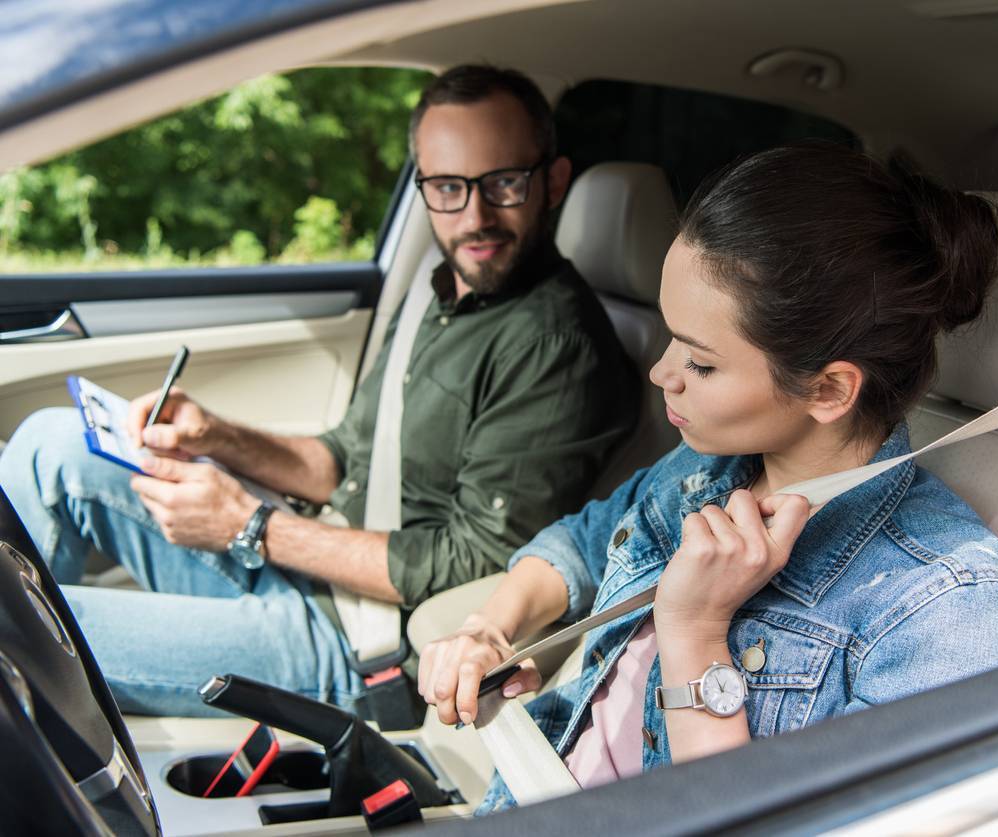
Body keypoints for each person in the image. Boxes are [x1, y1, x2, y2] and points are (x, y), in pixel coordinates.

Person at [416, 140, 998, 813]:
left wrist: (696, 634)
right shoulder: (704, 469)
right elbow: (583, 541)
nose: (662, 372)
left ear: (828, 390)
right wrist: (491, 627)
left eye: (701, 363)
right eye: (672, 337)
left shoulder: (941, 605)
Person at [0, 65, 639, 716]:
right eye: (448, 187)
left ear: (553, 182)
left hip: (361, 646)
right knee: (48, 442)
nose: (474, 216)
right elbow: (344, 458)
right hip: (318, 560)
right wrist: (219, 436)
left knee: (16, 620)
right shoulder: (441, 290)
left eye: (503, 183)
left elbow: (474, 560)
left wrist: (249, 525)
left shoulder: (557, 346)